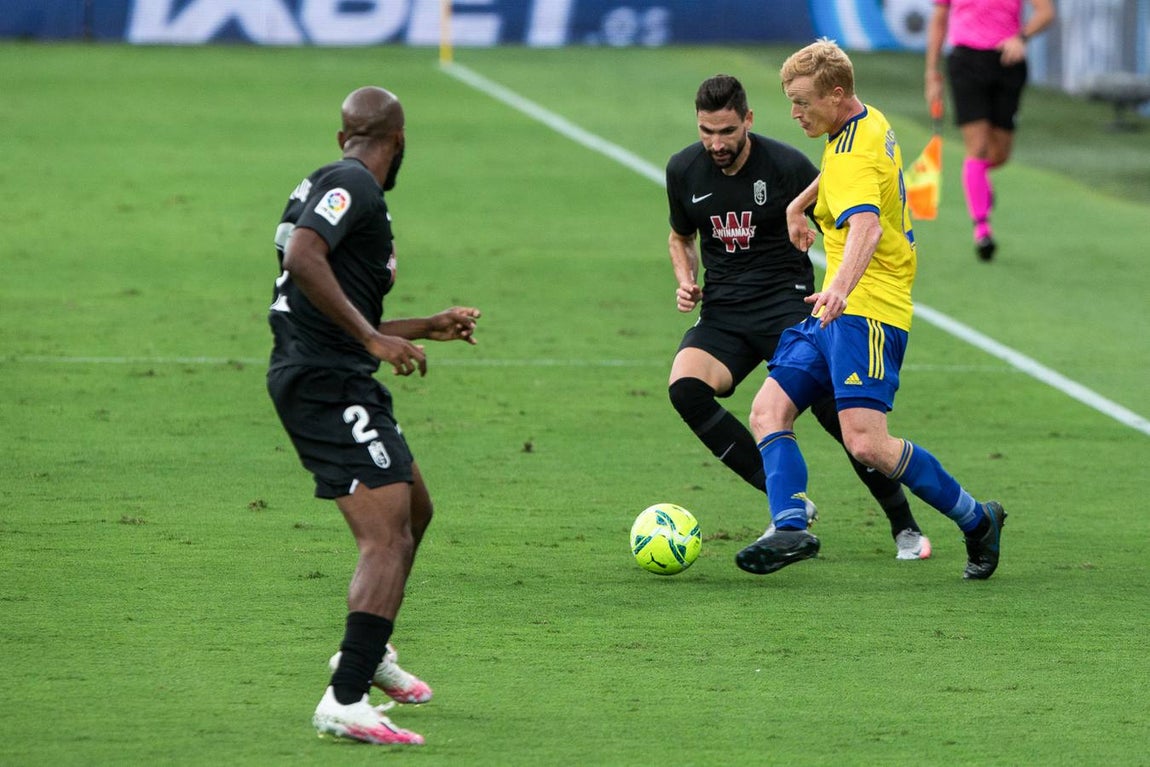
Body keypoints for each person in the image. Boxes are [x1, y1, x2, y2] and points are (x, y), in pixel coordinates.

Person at [735, 40, 1006, 579]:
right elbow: (839, 174)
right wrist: (797, 204)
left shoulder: (854, 150)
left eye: (802, 102)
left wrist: (837, 289)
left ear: (836, 95)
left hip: (867, 312)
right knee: (768, 412)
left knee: (866, 443)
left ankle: (978, 520)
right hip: (833, 311)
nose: (794, 113)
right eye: (790, 101)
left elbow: (866, 225)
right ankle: (791, 525)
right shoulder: (860, 122)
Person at [266, 85, 481, 745]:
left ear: (344, 134)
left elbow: (326, 294)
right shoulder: (352, 183)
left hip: (335, 371)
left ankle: (369, 648)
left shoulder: (340, 180)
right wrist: (371, 341)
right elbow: (304, 257)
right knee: (384, 538)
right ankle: (346, 695)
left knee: (415, 509)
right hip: (326, 384)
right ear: (401, 139)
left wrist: (423, 326)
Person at [666, 74, 931, 560]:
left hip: (786, 306)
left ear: (747, 120)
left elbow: (841, 199)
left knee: (842, 418)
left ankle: (905, 526)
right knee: (685, 388)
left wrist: (800, 213)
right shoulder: (683, 169)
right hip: (724, 312)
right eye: (707, 131)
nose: (716, 144)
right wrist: (686, 277)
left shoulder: (785, 165)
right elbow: (680, 235)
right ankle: (787, 503)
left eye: (726, 131)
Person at [924, 0, 1056, 261]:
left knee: (1000, 154)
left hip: (1008, 61)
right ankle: (982, 230)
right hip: (966, 61)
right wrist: (931, 73)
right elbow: (939, 19)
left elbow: (1046, 11)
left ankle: (980, 185)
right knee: (978, 148)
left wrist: (1022, 37)